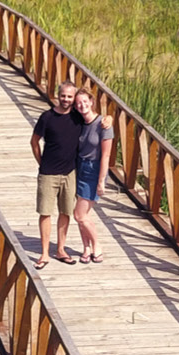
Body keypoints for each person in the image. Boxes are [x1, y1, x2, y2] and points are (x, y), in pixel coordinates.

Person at [29, 81, 83, 267]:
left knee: (65, 212)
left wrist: (107, 120)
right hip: (48, 173)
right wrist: (41, 162)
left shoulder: (78, 117)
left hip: (70, 173)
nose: (66, 99)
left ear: (74, 98)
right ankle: (44, 253)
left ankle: (61, 249)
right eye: (63, 96)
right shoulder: (47, 117)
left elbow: (96, 119)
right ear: (57, 96)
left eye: (69, 96)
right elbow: (34, 141)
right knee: (45, 212)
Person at [72, 89, 114, 263]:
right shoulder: (79, 122)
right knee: (85, 213)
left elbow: (105, 155)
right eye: (78, 103)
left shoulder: (103, 124)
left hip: (93, 170)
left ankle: (97, 245)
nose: (82, 105)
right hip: (78, 167)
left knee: (79, 215)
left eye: (85, 101)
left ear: (91, 101)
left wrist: (101, 182)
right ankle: (86, 248)